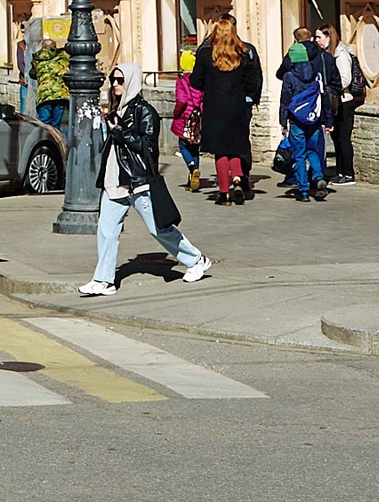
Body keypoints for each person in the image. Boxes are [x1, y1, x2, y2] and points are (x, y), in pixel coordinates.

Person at [79, 65, 211, 296]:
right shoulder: (117, 109)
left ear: (132, 81)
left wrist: (119, 131)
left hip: (137, 181)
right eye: (113, 80)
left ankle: (196, 260)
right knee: (106, 231)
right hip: (114, 181)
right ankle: (103, 280)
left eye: (120, 80)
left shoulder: (145, 111)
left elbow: (148, 148)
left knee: (159, 229)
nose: (115, 84)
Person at [186, 15, 262, 204]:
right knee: (235, 148)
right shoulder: (243, 52)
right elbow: (252, 78)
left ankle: (224, 193)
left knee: (220, 151)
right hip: (237, 106)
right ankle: (237, 177)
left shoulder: (205, 54)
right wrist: (250, 97)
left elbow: (196, 81)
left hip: (215, 107)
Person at [275, 35, 332, 202]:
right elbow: (325, 97)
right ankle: (318, 177)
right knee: (313, 151)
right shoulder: (317, 74)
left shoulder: (289, 77)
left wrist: (282, 121)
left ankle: (303, 190)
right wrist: (328, 120)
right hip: (314, 120)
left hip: (297, 121)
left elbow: (285, 100)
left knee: (299, 154)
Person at [322, 25, 366, 183]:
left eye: (320, 37)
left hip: (345, 101)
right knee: (337, 138)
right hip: (337, 100)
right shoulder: (330, 54)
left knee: (343, 138)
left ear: (328, 37)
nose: (317, 41)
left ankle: (348, 173)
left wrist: (333, 87)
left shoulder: (340, 55)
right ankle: (340, 172)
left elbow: (345, 79)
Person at [172, 47, 206, 191]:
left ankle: (192, 168)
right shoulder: (200, 81)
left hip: (186, 118)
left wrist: (176, 113)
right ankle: (192, 178)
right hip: (199, 118)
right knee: (195, 147)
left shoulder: (182, 81)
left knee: (183, 145)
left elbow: (182, 100)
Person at [30, 30, 70, 133]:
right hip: (60, 94)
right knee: (56, 126)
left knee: (44, 125)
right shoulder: (63, 57)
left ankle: (45, 143)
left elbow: (32, 74)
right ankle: (56, 144)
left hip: (44, 96)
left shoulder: (37, 59)